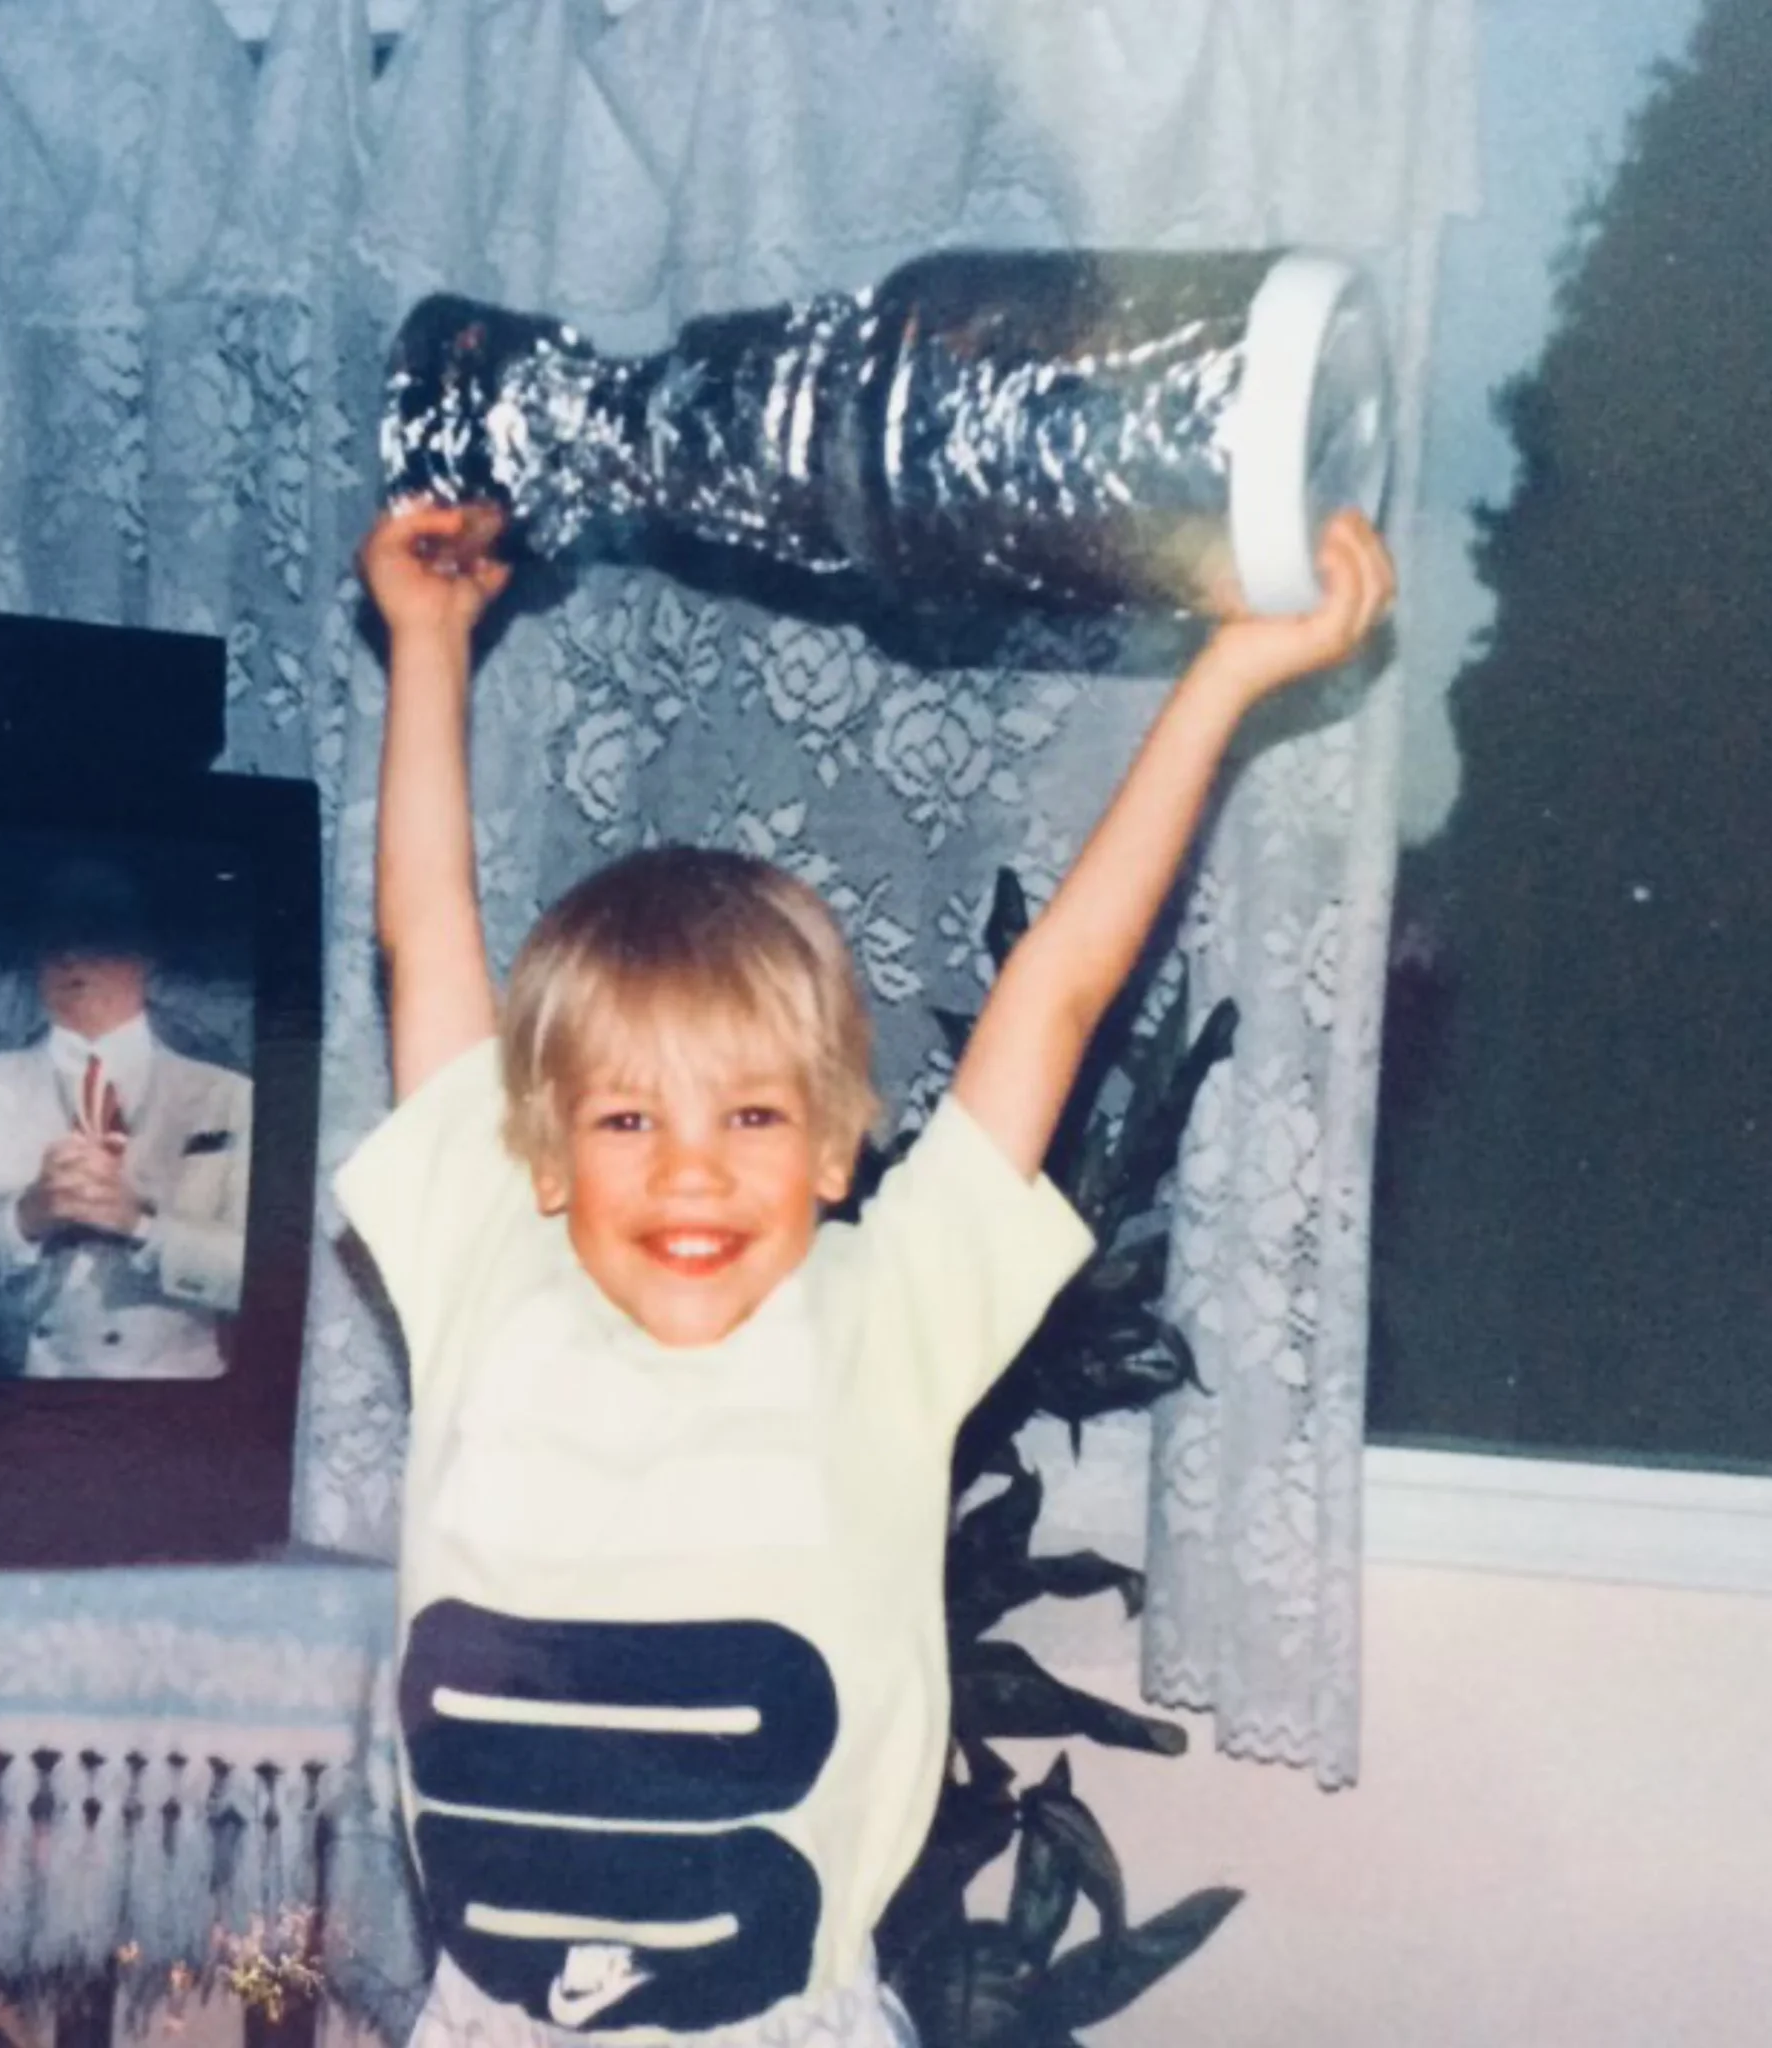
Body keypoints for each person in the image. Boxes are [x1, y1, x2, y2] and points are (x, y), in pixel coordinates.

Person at [340, 498, 1394, 2044]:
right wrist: (430, 648)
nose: (692, 1169)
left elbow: (1064, 988)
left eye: (753, 1114)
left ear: (837, 1150)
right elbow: (427, 938)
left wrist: (1227, 677)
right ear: (544, 1152)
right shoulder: (480, 1263)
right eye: (629, 1117)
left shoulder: (890, 1315)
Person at [0, 863, 252, 1379]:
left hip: (167, 1406)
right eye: (52, 938)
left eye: (97, 933)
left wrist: (143, 1226)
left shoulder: (228, 1098)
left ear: (148, 954)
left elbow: (265, 1273)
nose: (69, 956)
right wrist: (21, 1218)